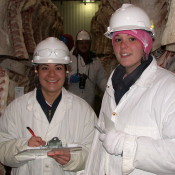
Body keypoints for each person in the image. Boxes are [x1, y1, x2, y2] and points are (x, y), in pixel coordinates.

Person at [84, 4, 175, 175]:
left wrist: (128, 146)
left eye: (132, 39)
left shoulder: (169, 88)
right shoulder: (113, 85)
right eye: (118, 39)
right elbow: (98, 147)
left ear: (146, 43)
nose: (123, 47)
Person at [0, 37, 97, 175]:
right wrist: (24, 146)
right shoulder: (17, 108)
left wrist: (72, 158)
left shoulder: (83, 110)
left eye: (58, 67)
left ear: (66, 71)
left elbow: (94, 152)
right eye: (45, 68)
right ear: (36, 70)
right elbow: (2, 149)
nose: (52, 74)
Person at [68, 30, 107, 109]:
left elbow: (102, 79)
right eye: (81, 43)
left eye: (86, 43)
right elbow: (60, 75)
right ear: (77, 44)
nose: (84, 45)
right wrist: (69, 78)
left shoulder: (95, 60)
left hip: (89, 101)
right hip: (71, 100)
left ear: (90, 44)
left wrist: (110, 92)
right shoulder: (69, 57)